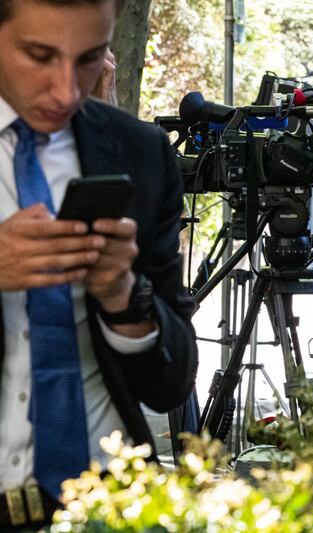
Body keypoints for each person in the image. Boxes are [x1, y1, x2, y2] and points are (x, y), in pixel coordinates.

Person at [0, 0, 198, 530]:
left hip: (115, 499)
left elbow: (171, 384)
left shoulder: (140, 151)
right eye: (40, 56)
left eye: (89, 58)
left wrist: (122, 294)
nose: (67, 90)